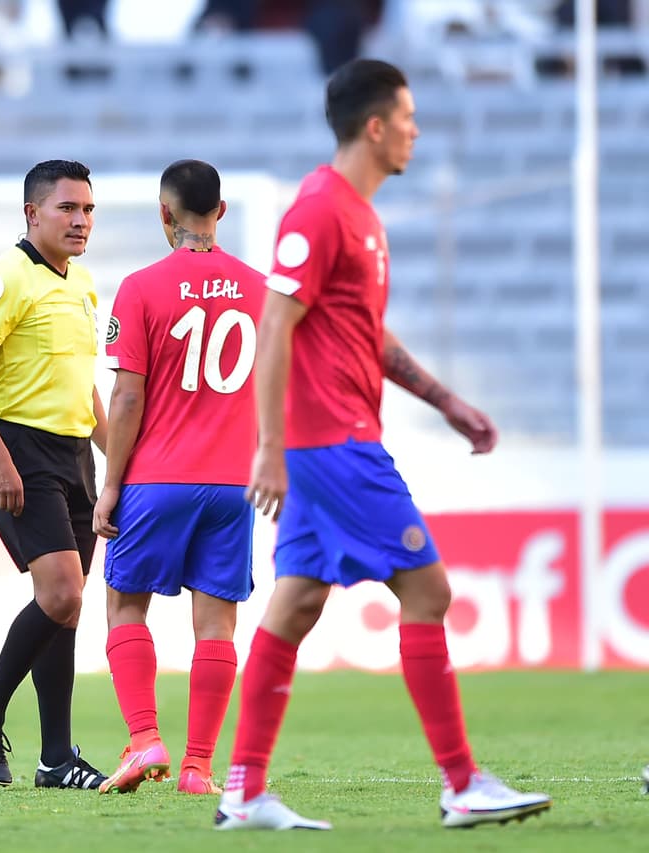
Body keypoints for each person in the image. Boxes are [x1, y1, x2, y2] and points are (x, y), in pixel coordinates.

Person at [214, 58, 552, 831]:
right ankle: (463, 781)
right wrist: (269, 446)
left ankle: (244, 789)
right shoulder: (318, 209)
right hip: (334, 447)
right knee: (428, 592)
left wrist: (445, 400)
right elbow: (274, 325)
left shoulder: (363, 218)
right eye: (407, 116)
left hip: (328, 445)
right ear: (375, 126)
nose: (415, 129)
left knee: (295, 604)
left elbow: (367, 335)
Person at [92, 159, 265, 797]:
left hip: (157, 478)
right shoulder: (260, 289)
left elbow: (128, 398)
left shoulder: (140, 288)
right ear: (220, 211)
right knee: (216, 625)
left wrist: (110, 484)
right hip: (231, 485)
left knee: (124, 604)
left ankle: (144, 741)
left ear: (164, 214)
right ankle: (196, 768)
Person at [0, 159, 109, 790]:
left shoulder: (83, 285)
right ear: (32, 213)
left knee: (64, 608)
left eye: (88, 209)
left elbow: (82, 386)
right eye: (67, 208)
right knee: (62, 593)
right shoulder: (6, 277)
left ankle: (56, 757)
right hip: (20, 451)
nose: (80, 220)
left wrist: (120, 458)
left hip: (75, 456)